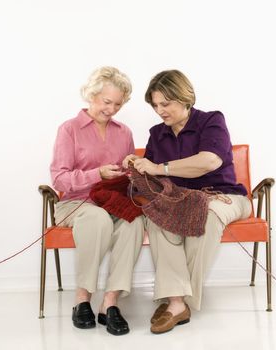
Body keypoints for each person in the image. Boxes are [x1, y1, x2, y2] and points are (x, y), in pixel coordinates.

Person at [123, 69, 252, 334]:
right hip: (179, 199)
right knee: (158, 218)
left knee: (205, 213)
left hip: (223, 196)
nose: (160, 110)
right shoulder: (157, 133)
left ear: (184, 98)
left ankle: (176, 301)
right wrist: (135, 164)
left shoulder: (211, 121)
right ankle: (176, 301)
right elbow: (150, 178)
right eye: (156, 105)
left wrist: (159, 167)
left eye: (165, 103)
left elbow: (209, 161)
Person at [50, 66, 144, 336]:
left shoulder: (124, 132)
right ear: (91, 95)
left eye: (117, 104)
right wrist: (96, 174)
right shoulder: (69, 129)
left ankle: (110, 303)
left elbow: (127, 177)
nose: (112, 109)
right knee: (97, 218)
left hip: (112, 200)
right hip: (76, 204)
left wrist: (130, 165)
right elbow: (59, 180)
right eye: (106, 102)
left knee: (133, 223)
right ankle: (82, 298)